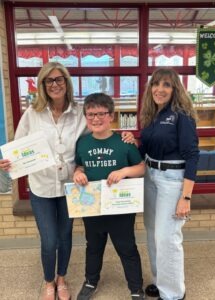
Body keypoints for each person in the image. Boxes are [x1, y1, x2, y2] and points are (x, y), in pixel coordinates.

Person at [0, 62, 134, 300]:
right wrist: (9, 161)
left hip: (71, 187)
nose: (55, 84)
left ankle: (61, 279)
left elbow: (95, 137)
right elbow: (18, 146)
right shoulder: (33, 113)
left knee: (65, 236)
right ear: (43, 85)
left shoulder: (78, 113)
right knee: (50, 240)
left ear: (66, 82)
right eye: (49, 80)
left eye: (59, 79)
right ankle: (48, 281)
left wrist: (124, 135)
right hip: (41, 186)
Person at [73, 92, 146, 300]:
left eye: (101, 114)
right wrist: (78, 173)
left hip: (120, 207)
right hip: (92, 205)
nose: (95, 119)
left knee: (127, 248)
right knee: (93, 247)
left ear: (111, 116)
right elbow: (78, 165)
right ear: (86, 117)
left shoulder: (124, 142)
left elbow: (141, 168)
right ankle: (90, 281)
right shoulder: (83, 143)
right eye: (90, 114)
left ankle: (135, 287)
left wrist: (124, 172)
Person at [139, 67, 199, 300]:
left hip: (172, 182)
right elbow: (144, 149)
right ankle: (160, 281)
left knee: (168, 238)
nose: (159, 89)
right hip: (151, 177)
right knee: (154, 233)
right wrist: (130, 141)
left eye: (166, 85)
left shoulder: (181, 115)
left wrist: (185, 197)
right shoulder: (152, 116)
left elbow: (192, 155)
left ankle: (173, 294)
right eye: (155, 84)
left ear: (175, 89)